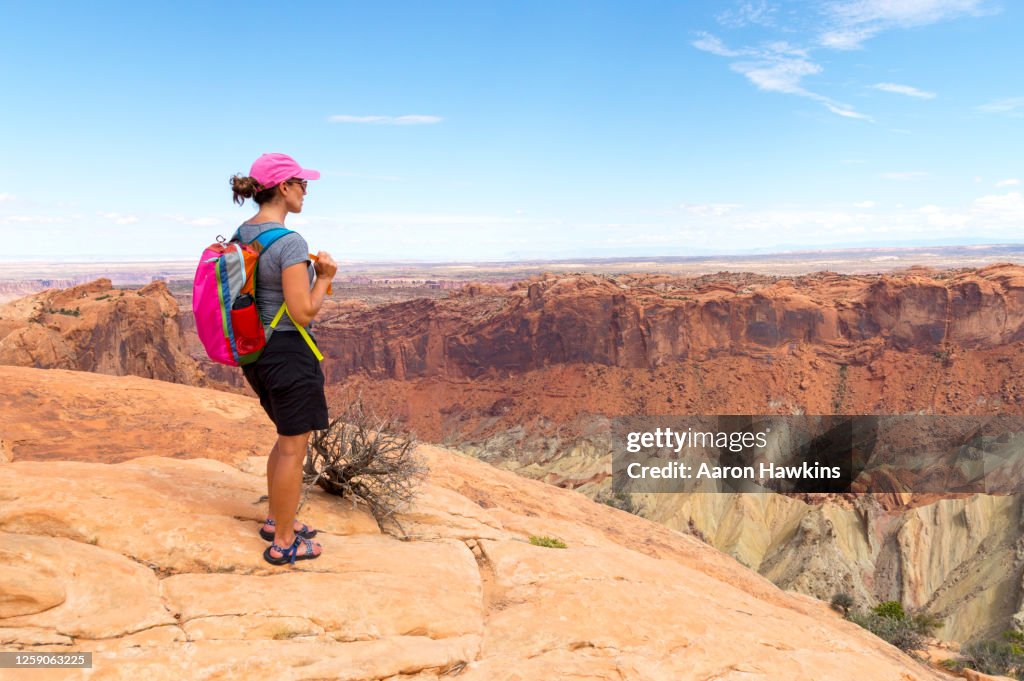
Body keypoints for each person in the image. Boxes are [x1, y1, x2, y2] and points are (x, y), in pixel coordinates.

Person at [229, 152, 337, 565]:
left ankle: (277, 518)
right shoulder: (289, 242)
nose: (306, 191)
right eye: (301, 184)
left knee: (285, 439)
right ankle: (285, 542)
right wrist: (325, 277)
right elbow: (303, 312)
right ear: (284, 187)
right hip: (289, 351)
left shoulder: (243, 233)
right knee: (295, 448)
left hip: (256, 351)